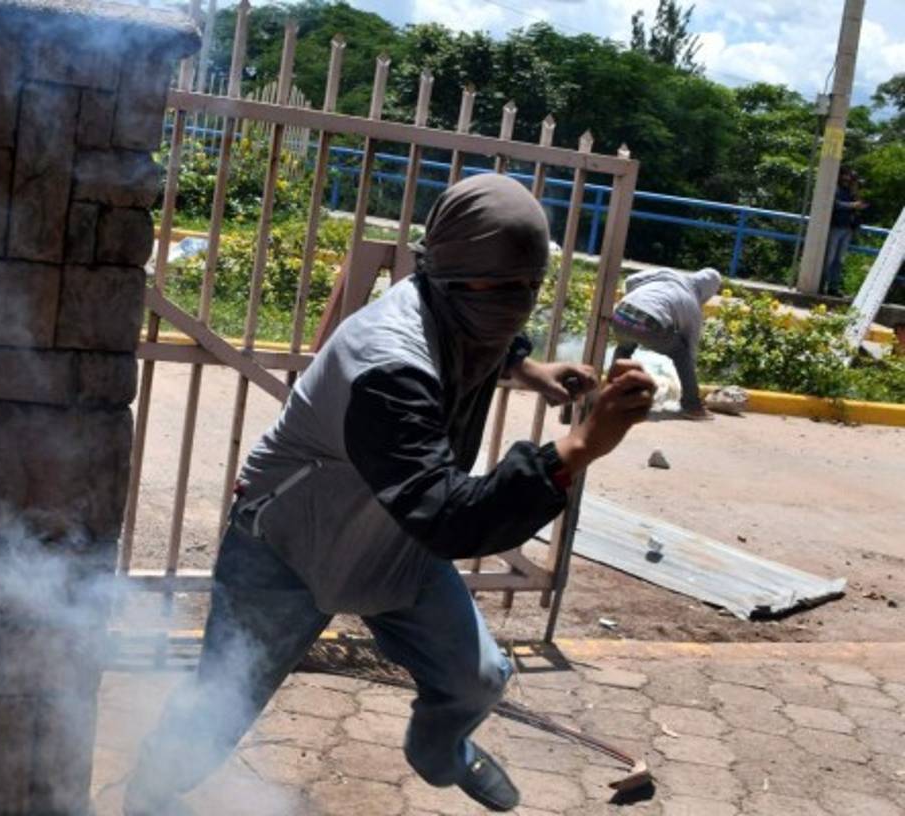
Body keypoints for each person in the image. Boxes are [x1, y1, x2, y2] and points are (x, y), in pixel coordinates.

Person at [124, 174, 657, 814]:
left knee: (477, 679)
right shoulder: (386, 364)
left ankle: (439, 751)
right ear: (447, 274)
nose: (516, 305)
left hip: (395, 537)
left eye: (530, 288)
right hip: (290, 544)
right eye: (499, 287)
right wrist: (580, 446)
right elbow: (450, 520)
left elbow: (486, 339)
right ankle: (149, 796)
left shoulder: (461, 309)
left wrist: (528, 369)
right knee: (218, 710)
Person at [609, 267, 722, 421]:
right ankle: (692, 406)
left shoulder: (667, 273)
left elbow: (630, 280)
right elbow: (690, 348)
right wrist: (690, 372)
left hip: (621, 314)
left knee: (624, 348)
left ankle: (611, 393)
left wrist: (637, 302)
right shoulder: (693, 305)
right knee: (682, 355)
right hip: (649, 323)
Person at [822, 166, 869, 297]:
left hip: (848, 229)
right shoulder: (835, 189)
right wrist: (852, 205)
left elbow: (857, 205)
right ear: (841, 176)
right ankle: (822, 285)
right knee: (829, 258)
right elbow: (834, 204)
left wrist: (858, 202)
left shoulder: (851, 192)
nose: (849, 179)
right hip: (836, 227)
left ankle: (833, 288)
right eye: (847, 175)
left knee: (839, 260)